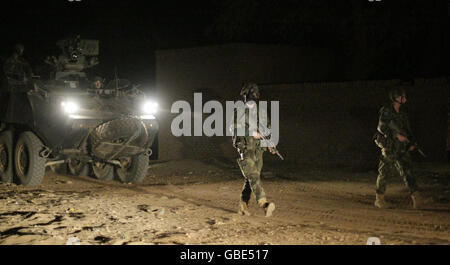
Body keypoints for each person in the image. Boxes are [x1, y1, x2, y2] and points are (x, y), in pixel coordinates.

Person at [374, 87, 426, 209]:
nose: (405, 98)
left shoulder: (402, 113)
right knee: (384, 173)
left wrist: (411, 142)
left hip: (401, 148)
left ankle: (417, 199)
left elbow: (407, 130)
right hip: (390, 147)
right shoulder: (386, 111)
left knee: (408, 172)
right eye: (402, 96)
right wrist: (396, 135)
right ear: (396, 98)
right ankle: (379, 199)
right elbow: (381, 127)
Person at [232, 83, 277, 217]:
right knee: (253, 176)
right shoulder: (240, 111)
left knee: (251, 178)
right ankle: (264, 204)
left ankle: (243, 204)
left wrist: (270, 143)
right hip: (246, 149)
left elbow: (267, 129)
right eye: (253, 94)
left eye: (256, 94)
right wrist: (251, 133)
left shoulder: (261, 112)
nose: (255, 96)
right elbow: (234, 129)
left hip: (258, 150)